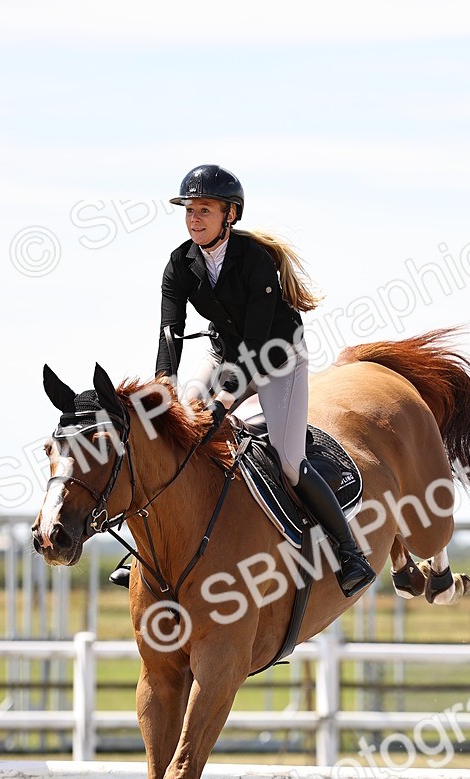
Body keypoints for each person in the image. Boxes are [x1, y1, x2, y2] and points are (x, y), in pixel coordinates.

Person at [153, 163, 375, 599]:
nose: (194, 219)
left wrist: (224, 401)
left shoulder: (254, 261)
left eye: (204, 210)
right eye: (190, 210)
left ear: (230, 214)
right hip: (225, 355)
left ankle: (349, 552)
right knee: (181, 424)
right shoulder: (180, 263)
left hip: (277, 360)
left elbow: (256, 347)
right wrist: (164, 388)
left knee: (289, 460)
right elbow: (169, 332)